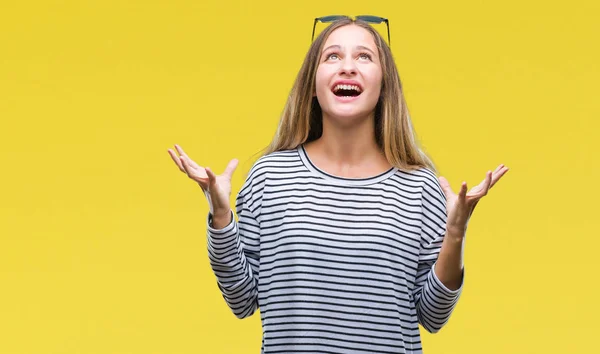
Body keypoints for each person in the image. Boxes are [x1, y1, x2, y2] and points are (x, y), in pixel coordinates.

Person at [168, 16, 508, 354]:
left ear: (384, 82)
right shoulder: (270, 177)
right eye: (332, 56)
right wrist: (222, 217)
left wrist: (456, 234)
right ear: (312, 83)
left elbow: (433, 316)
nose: (347, 67)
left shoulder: (420, 187)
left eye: (364, 56)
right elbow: (242, 300)